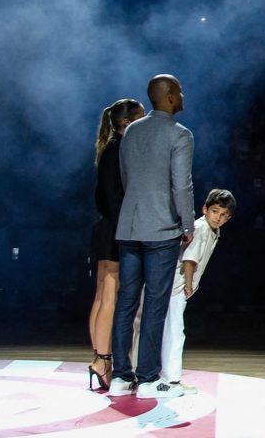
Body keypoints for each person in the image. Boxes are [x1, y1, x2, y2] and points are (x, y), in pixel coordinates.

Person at [109, 74, 195, 400]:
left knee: (126, 303)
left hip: (129, 227)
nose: (183, 95)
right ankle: (146, 379)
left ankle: (120, 377)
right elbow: (181, 186)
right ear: (170, 96)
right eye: (180, 90)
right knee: (155, 305)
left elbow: (126, 177)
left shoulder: (131, 130)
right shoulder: (180, 135)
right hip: (161, 229)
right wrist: (187, 225)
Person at [87, 98, 146, 391]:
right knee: (109, 294)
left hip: (105, 226)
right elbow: (114, 197)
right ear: (130, 123)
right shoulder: (119, 149)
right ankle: (103, 359)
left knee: (101, 293)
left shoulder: (109, 147)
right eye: (141, 117)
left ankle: (99, 358)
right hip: (115, 227)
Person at [160, 188, 235, 395]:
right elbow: (190, 259)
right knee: (175, 331)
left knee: (171, 329)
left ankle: (165, 374)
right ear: (205, 209)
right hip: (176, 285)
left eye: (223, 215)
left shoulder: (212, 230)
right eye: (215, 212)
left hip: (177, 286)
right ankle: (171, 378)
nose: (218, 218)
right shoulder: (201, 228)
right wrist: (188, 285)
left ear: (228, 218)